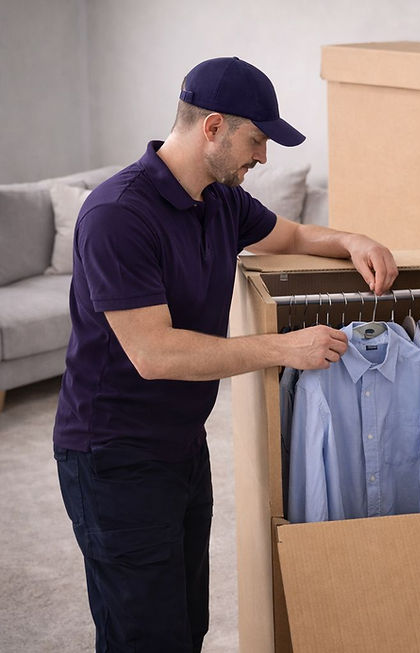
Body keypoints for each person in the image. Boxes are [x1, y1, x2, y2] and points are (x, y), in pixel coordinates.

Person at [52, 56, 397, 652]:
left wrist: (352, 239)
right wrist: (283, 348)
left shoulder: (221, 200)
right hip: (113, 457)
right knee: (145, 638)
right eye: (257, 140)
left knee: (188, 627)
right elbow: (154, 353)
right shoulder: (117, 215)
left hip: (183, 446)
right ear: (213, 127)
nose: (263, 156)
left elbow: (291, 235)